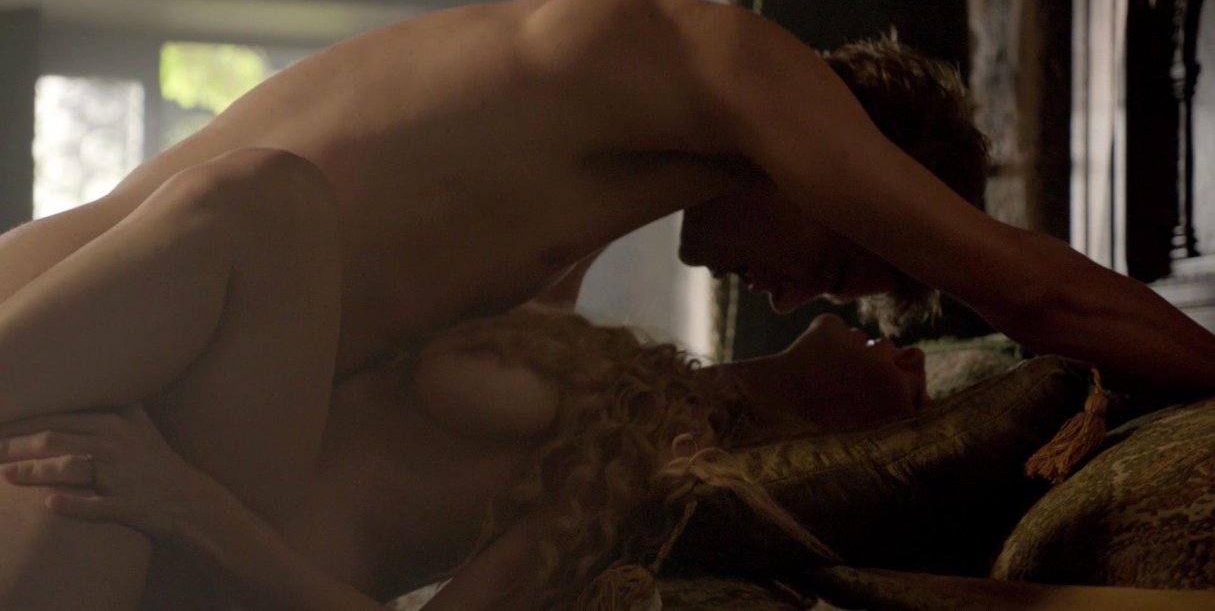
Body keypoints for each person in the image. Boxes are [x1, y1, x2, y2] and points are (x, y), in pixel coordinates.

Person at [1, 0, 1213, 605]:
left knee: (262, 208)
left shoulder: (567, 273)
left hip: (169, 410)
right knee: (262, 198)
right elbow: (1032, 289)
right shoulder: (716, 61)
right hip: (91, 322)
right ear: (852, 163)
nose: (798, 297)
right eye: (844, 267)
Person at [0, 306, 920, 610]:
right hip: (177, 456)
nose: (911, 351)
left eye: (920, 388)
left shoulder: (637, 475)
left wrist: (186, 507)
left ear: (845, 439)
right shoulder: (625, 363)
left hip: (206, 556)